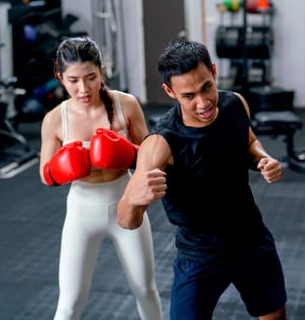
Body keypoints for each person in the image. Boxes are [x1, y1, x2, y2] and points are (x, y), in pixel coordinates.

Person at [117, 39, 288, 320]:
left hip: (251, 238)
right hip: (200, 253)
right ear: (169, 91)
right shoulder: (160, 143)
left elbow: (248, 142)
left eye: (206, 87)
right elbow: (127, 220)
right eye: (188, 96)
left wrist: (262, 160)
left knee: (275, 315)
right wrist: (134, 198)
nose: (203, 102)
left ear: (213, 71)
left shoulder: (235, 103)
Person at [39, 36, 162, 320]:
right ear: (60, 77)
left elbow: (152, 154)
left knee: (145, 289)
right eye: (73, 80)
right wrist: (64, 166)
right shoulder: (55, 120)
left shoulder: (126, 105)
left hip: (126, 203)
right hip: (82, 211)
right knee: (70, 301)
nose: (83, 89)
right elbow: (45, 174)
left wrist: (128, 154)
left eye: (91, 77)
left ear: (102, 71)